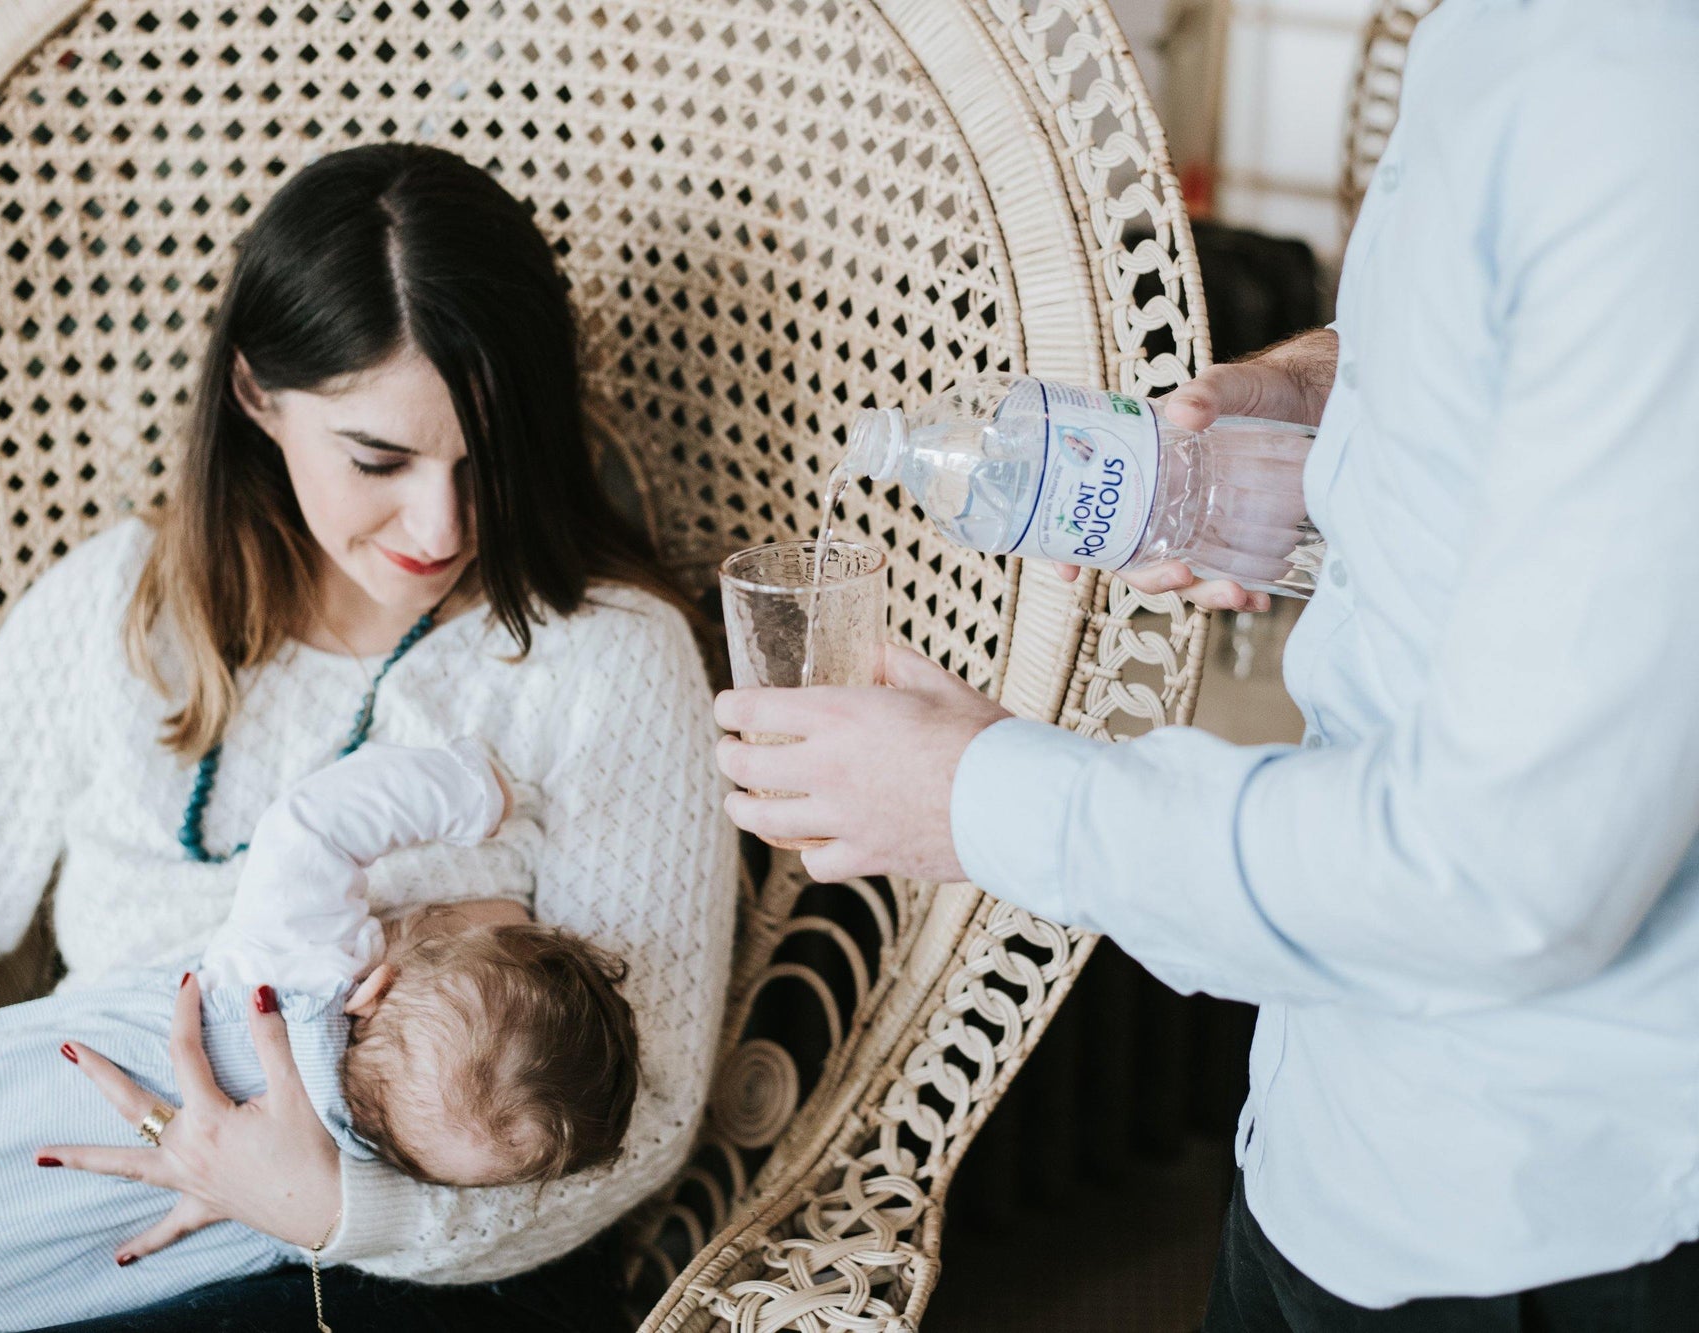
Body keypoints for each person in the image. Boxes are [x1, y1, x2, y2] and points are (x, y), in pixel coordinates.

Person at [714, 3, 1699, 1328]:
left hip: (1536, 1205)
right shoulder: (1507, 40)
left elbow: (1501, 875)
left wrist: (978, 799)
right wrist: (1335, 397)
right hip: (1328, 1121)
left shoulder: (1640, 101)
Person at [0, 142, 736, 1333]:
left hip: (408, 1274)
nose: (439, 523)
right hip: (69, 1235)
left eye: (485, 460)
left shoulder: (607, 658)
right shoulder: (122, 604)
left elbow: (649, 1112)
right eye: (378, 457)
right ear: (256, 396)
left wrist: (331, 1206)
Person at [0, 739, 642, 1333]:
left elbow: (317, 820)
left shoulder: (299, 962)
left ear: (377, 988)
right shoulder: (345, 1179)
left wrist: (471, 790)